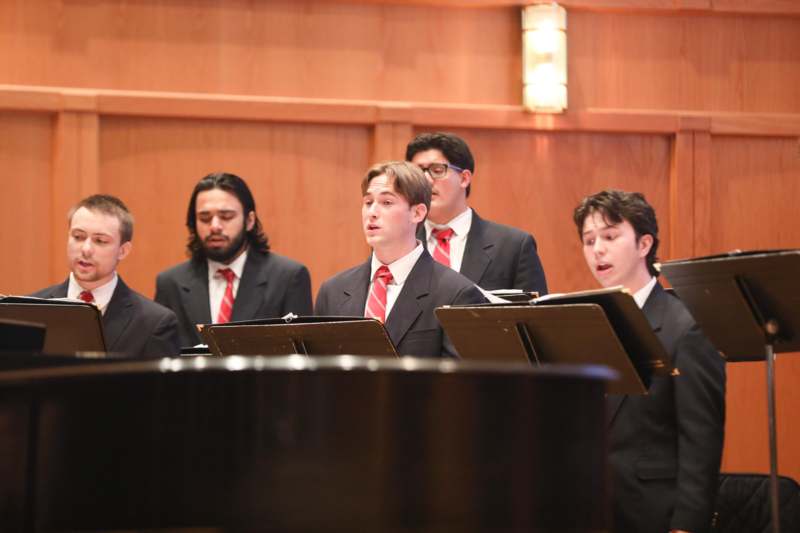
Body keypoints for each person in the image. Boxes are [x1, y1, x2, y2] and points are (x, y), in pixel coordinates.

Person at [573, 189, 725, 533]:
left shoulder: (687, 327)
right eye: (589, 240)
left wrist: (687, 525)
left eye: (610, 236)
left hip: (654, 512)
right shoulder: (585, 321)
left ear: (644, 245)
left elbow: (701, 439)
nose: (597, 249)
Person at [315, 161, 486, 357]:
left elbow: (458, 383)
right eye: (368, 202)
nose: (372, 213)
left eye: (387, 203)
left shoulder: (456, 294)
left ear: (417, 213)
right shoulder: (333, 291)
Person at [155, 172, 313, 347]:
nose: (215, 226)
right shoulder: (170, 283)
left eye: (226, 216)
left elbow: (303, 358)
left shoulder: (288, 277)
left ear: (249, 220)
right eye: (204, 218)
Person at [33, 194, 180, 358]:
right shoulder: (28, 310)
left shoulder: (154, 323)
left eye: (100, 241)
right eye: (78, 237)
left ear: (123, 251)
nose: (86, 249)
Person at [406, 132, 548, 295]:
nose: (425, 180)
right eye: (417, 173)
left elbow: (536, 316)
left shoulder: (513, 246)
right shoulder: (401, 244)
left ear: (464, 178)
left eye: (437, 170)